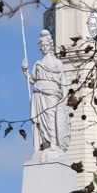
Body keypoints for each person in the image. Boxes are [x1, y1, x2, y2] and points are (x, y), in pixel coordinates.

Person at [22, 30, 70, 159]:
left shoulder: (57, 63)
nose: (44, 48)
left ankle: (54, 143)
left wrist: (64, 99)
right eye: (41, 46)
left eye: (46, 45)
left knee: (51, 119)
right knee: (41, 122)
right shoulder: (37, 64)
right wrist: (25, 71)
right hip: (38, 94)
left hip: (52, 94)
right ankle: (45, 144)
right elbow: (32, 80)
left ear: (50, 46)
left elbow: (63, 81)